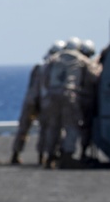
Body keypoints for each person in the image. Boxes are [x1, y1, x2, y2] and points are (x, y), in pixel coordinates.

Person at [39, 37, 93, 168]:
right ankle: (67, 157)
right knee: (71, 126)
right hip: (69, 95)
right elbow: (92, 76)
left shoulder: (54, 58)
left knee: (53, 127)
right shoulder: (81, 59)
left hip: (52, 95)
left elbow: (44, 76)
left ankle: (49, 156)